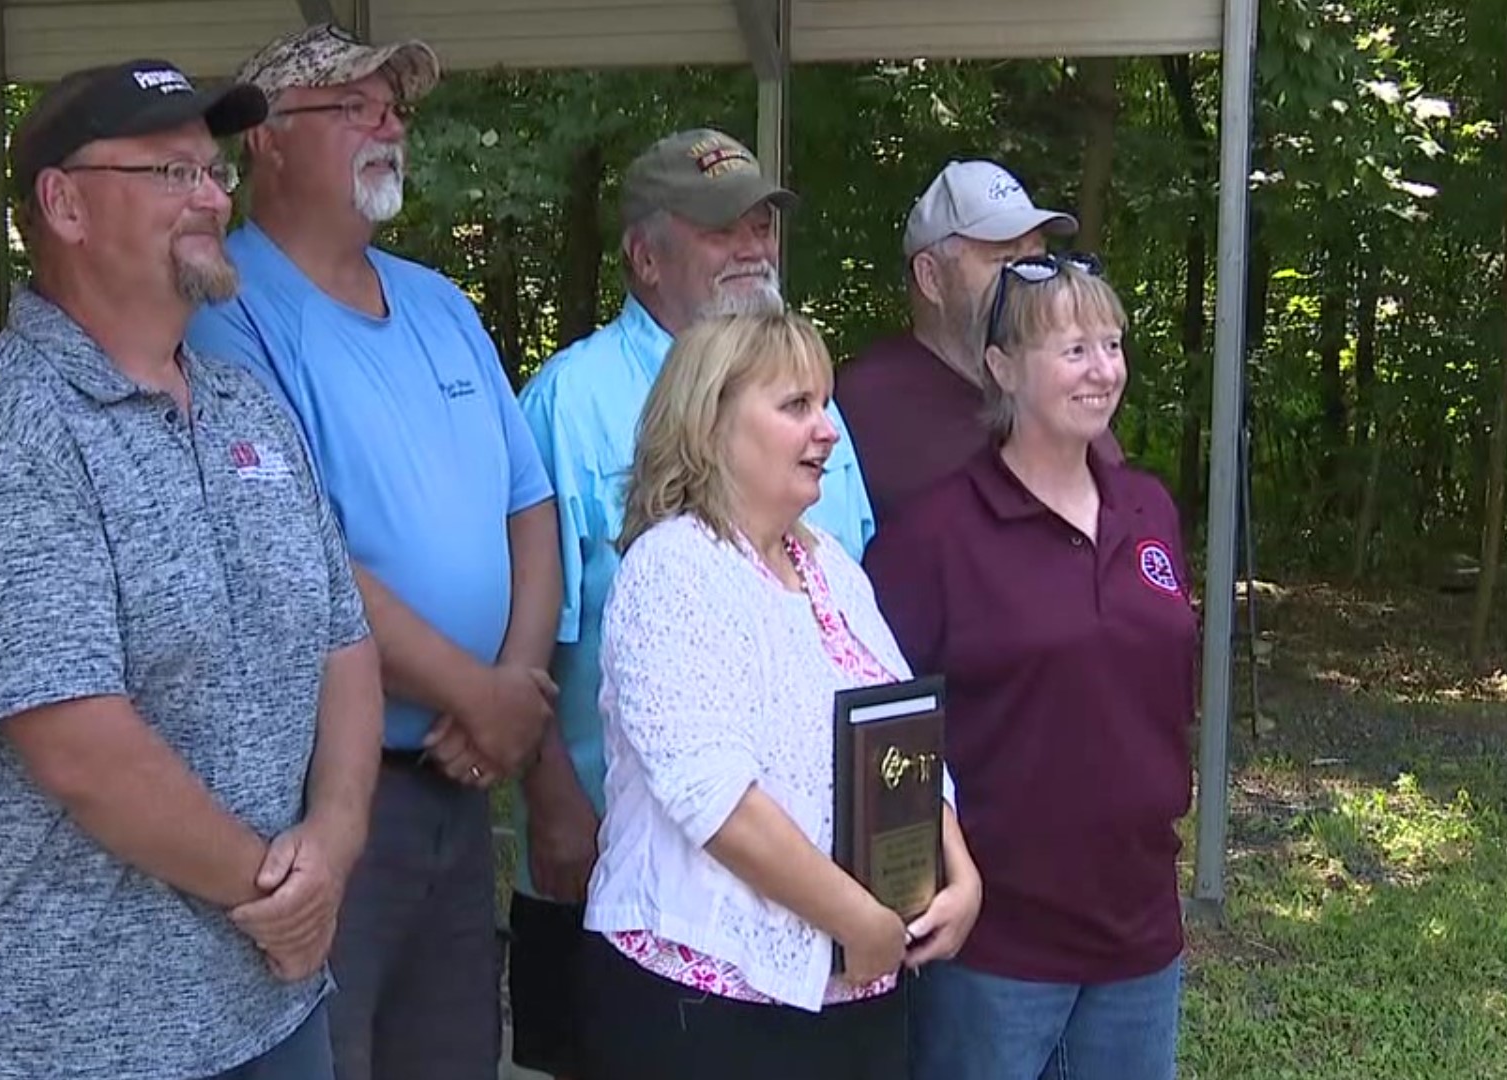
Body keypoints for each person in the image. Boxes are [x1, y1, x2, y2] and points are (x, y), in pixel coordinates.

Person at [0, 59, 382, 1080]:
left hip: (269, 1009)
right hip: (68, 1035)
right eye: (170, 172)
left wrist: (331, 846)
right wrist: (274, 895)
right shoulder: (6, 433)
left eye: (212, 172)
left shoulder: (248, 409)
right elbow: (82, 750)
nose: (211, 196)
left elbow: (345, 642)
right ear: (63, 204)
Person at [185, 22, 561, 1080]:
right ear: (264, 141)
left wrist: (514, 688)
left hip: (459, 779)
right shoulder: (228, 310)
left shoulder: (441, 303)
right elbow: (292, 556)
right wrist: (480, 698)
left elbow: (528, 510)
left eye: (392, 105)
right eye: (353, 104)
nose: (388, 122)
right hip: (326, 795)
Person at [508, 128, 875, 1080]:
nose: (753, 247)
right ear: (645, 255)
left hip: (819, 914)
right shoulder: (571, 399)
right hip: (640, 869)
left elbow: (862, 649)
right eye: (722, 230)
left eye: (762, 225)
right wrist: (549, 798)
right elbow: (531, 627)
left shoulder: (816, 411)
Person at [576, 311, 982, 1080]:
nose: (828, 430)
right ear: (711, 422)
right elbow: (716, 799)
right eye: (796, 406)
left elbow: (904, 733)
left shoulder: (828, 562)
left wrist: (959, 875)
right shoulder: (672, 570)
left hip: (854, 991)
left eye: (825, 404)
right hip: (705, 1010)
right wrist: (857, 918)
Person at [864, 255, 1197, 1080]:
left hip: (1139, 930)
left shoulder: (1147, 507)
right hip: (996, 944)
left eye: (1113, 344)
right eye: (1073, 348)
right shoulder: (935, 535)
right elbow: (883, 734)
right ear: (1002, 367)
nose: (1103, 368)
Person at [837, 159, 1120, 524]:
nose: (1025, 282)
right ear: (931, 278)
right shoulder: (862, 406)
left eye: (1035, 260)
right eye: (1004, 260)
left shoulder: (1060, 391)